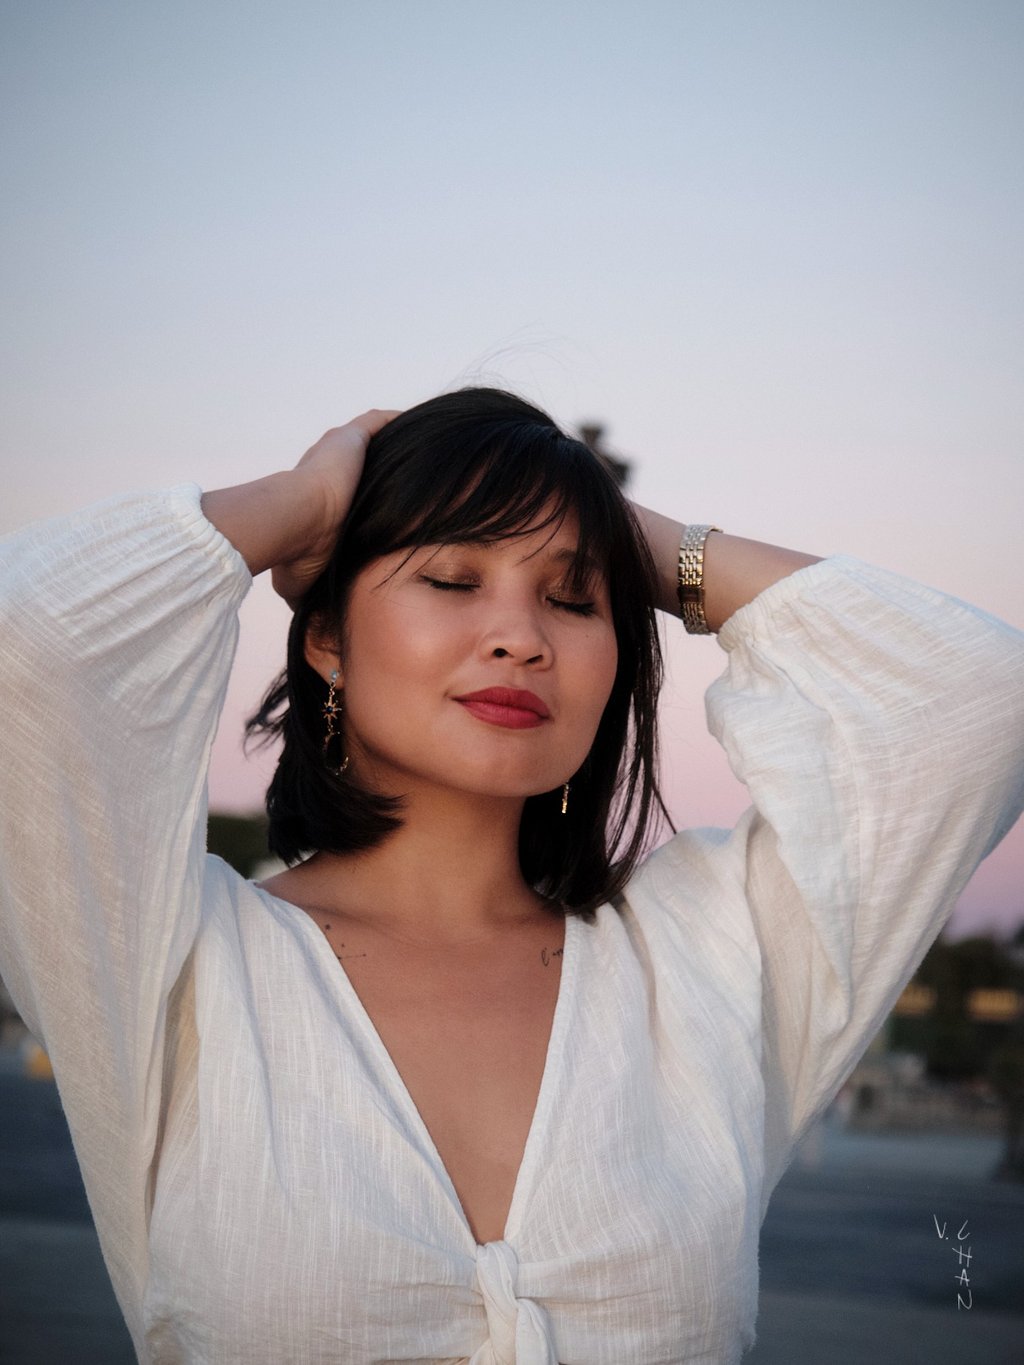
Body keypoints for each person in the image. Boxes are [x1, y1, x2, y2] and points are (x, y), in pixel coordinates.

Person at [0, 387, 1021, 1365]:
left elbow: (979, 704)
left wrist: (626, 533)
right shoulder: (168, 961)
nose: (521, 638)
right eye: (453, 579)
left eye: (574, 598)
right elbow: (24, 643)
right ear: (327, 638)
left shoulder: (708, 958)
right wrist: (304, 503)